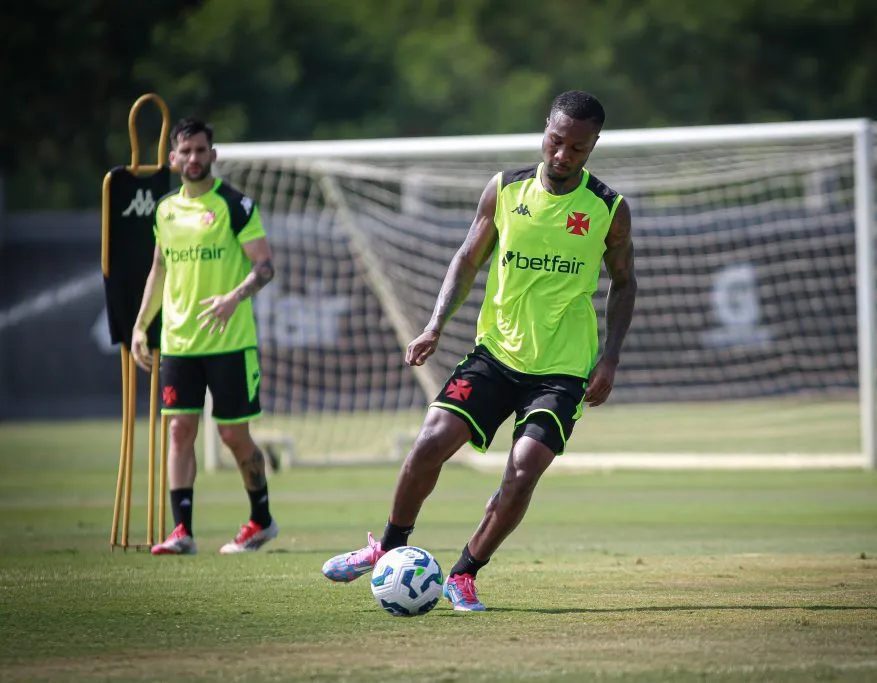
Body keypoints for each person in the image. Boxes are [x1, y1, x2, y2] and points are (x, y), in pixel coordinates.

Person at [322, 91, 637, 610]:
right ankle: (387, 549)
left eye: (577, 148)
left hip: (560, 371)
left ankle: (465, 572)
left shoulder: (608, 209)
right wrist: (434, 325)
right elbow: (467, 259)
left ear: (593, 146)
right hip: (496, 355)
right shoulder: (505, 188)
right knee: (430, 442)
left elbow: (624, 283)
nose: (562, 155)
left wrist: (612, 357)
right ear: (545, 130)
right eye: (556, 141)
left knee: (523, 470)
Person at [131, 117, 279, 555]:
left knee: (234, 437)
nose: (194, 158)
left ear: (212, 155)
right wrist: (141, 325)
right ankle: (183, 532)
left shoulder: (236, 206)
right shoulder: (165, 210)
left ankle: (262, 520)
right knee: (180, 430)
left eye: (201, 150)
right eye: (186, 151)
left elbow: (265, 267)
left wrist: (235, 296)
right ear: (173, 158)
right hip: (179, 342)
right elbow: (159, 270)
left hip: (231, 341)